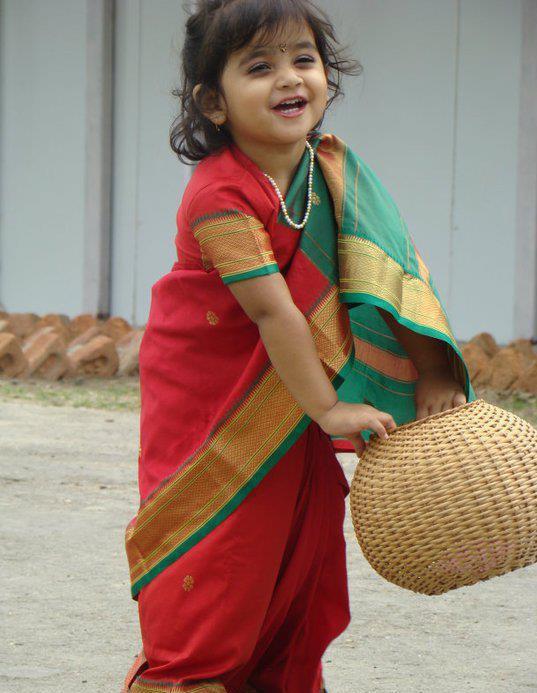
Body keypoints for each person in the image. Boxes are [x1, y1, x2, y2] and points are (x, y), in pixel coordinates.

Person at [122, 1, 474, 691]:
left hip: (299, 388)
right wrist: (329, 409)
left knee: (301, 553)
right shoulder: (218, 193)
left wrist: (433, 366)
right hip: (216, 396)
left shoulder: (332, 169)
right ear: (211, 102)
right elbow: (272, 311)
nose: (289, 78)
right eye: (259, 66)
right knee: (220, 554)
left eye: (302, 59)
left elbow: (389, 264)